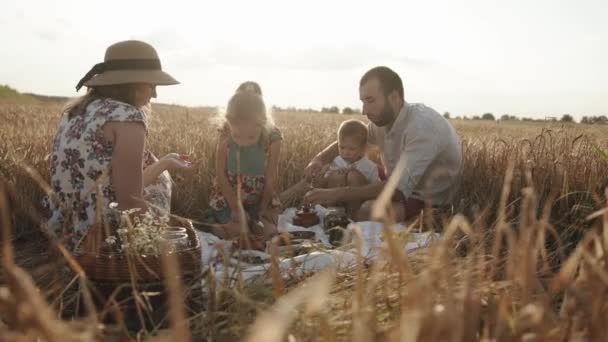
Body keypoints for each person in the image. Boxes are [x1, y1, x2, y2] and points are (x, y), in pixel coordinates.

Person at [44, 40, 192, 251]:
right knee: (160, 176)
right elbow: (130, 200)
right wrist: (153, 244)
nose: (155, 94)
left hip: (69, 233)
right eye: (151, 85)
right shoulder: (127, 118)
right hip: (107, 237)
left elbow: (110, 184)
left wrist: (166, 161)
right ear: (131, 84)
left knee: (155, 163)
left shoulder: (76, 111)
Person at [303, 66, 462, 223]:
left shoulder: (422, 127)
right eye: (363, 102)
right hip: (393, 186)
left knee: (369, 211)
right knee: (340, 175)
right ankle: (283, 200)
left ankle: (427, 220)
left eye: (370, 101)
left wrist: (336, 194)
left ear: (394, 97)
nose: (364, 111)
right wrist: (319, 159)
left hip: (423, 199)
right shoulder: (382, 122)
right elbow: (353, 139)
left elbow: (398, 190)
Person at [206, 81, 282, 243]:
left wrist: (262, 208)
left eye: (251, 137)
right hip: (229, 199)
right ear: (229, 123)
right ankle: (213, 227)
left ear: (262, 125)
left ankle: (248, 224)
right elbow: (220, 175)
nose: (243, 143)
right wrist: (235, 208)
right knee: (241, 230)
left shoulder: (273, 138)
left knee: (268, 232)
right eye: (237, 136)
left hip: (260, 198)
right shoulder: (225, 134)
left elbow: (271, 178)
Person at [307, 119, 381, 215]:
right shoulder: (336, 161)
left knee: (353, 176)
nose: (346, 152)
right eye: (342, 147)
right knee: (336, 175)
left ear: (363, 148)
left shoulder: (370, 167)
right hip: (335, 202)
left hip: (357, 203)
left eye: (351, 149)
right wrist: (323, 176)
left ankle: (352, 214)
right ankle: (333, 212)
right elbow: (325, 183)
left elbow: (374, 189)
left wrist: (358, 177)